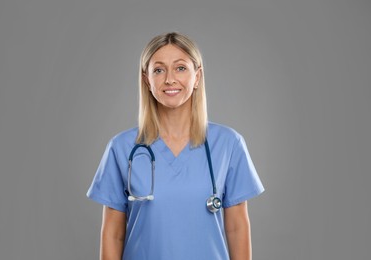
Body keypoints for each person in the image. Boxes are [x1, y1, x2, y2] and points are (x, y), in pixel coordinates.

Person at [87, 32, 264, 260]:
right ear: (146, 80)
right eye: (159, 70)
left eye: (180, 68)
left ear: (197, 76)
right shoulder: (121, 148)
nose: (169, 79)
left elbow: (237, 227)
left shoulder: (229, 144)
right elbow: (113, 234)